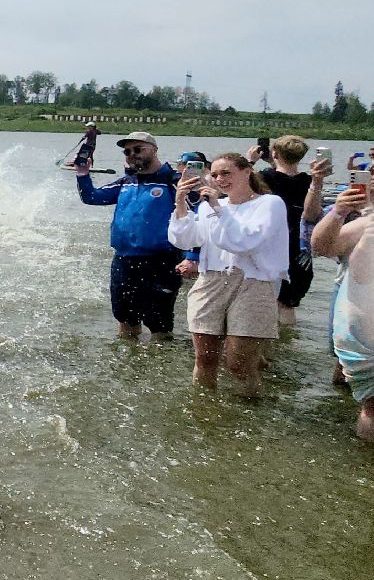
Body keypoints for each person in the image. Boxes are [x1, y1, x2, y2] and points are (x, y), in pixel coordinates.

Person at [168, 152, 288, 397]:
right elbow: (186, 239)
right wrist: (180, 203)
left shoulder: (270, 204)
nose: (220, 179)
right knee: (205, 358)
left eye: (226, 173)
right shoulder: (209, 206)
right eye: (214, 174)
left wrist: (216, 207)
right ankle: (203, 411)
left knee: (238, 363)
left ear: (247, 172)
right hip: (211, 280)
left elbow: (246, 241)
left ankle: (251, 409)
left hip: (252, 283)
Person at [76, 132, 194, 341]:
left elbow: (200, 219)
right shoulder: (126, 182)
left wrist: (192, 256)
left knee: (159, 325)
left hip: (162, 262)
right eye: (127, 151)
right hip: (124, 260)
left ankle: (159, 369)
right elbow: (91, 197)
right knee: (125, 319)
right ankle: (127, 368)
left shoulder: (174, 181)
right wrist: (83, 174)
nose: (132, 154)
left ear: (154, 150)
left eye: (138, 149)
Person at [312, 179, 373, 437]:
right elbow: (321, 247)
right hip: (365, 332)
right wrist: (338, 212)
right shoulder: (367, 224)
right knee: (372, 405)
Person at [249, 135, 314, 327]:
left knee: (266, 302)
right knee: (288, 304)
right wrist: (274, 159)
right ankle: (287, 341)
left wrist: (250, 161)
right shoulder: (309, 181)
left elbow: (243, 185)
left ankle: (270, 347)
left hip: (273, 246)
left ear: (275, 153)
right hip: (300, 247)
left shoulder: (265, 178)